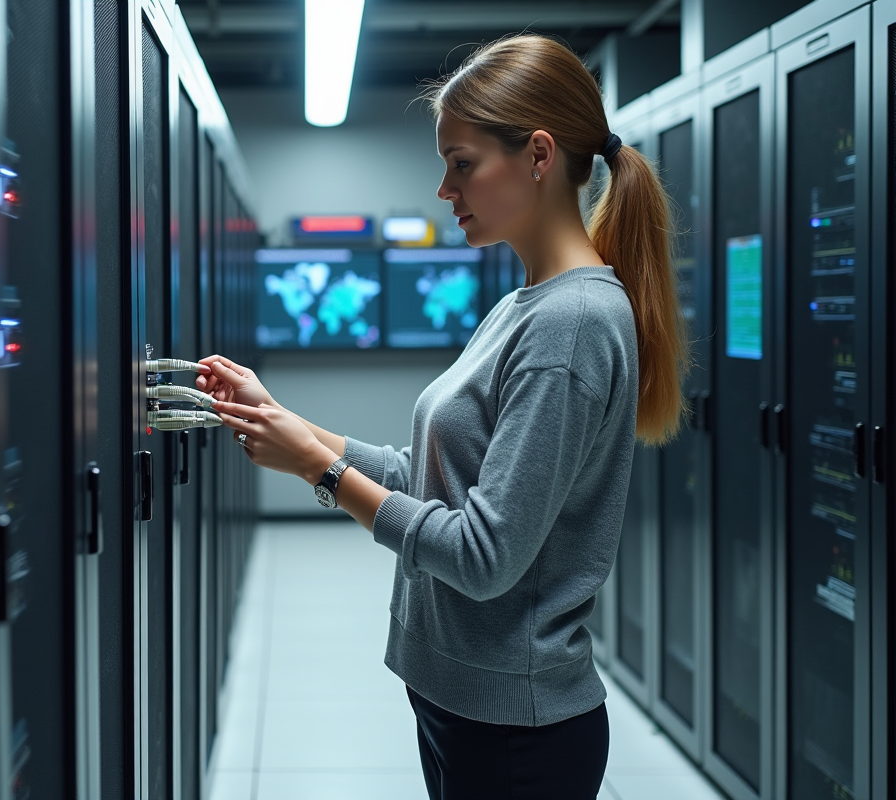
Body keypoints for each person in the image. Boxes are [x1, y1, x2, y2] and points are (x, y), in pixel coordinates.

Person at [195, 33, 690, 800]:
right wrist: (291, 423)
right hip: (463, 702)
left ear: (537, 155)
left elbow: (485, 556)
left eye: (461, 163)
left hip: (516, 730)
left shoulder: (575, 322)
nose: (444, 188)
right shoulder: (524, 306)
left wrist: (317, 469)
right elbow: (437, 478)